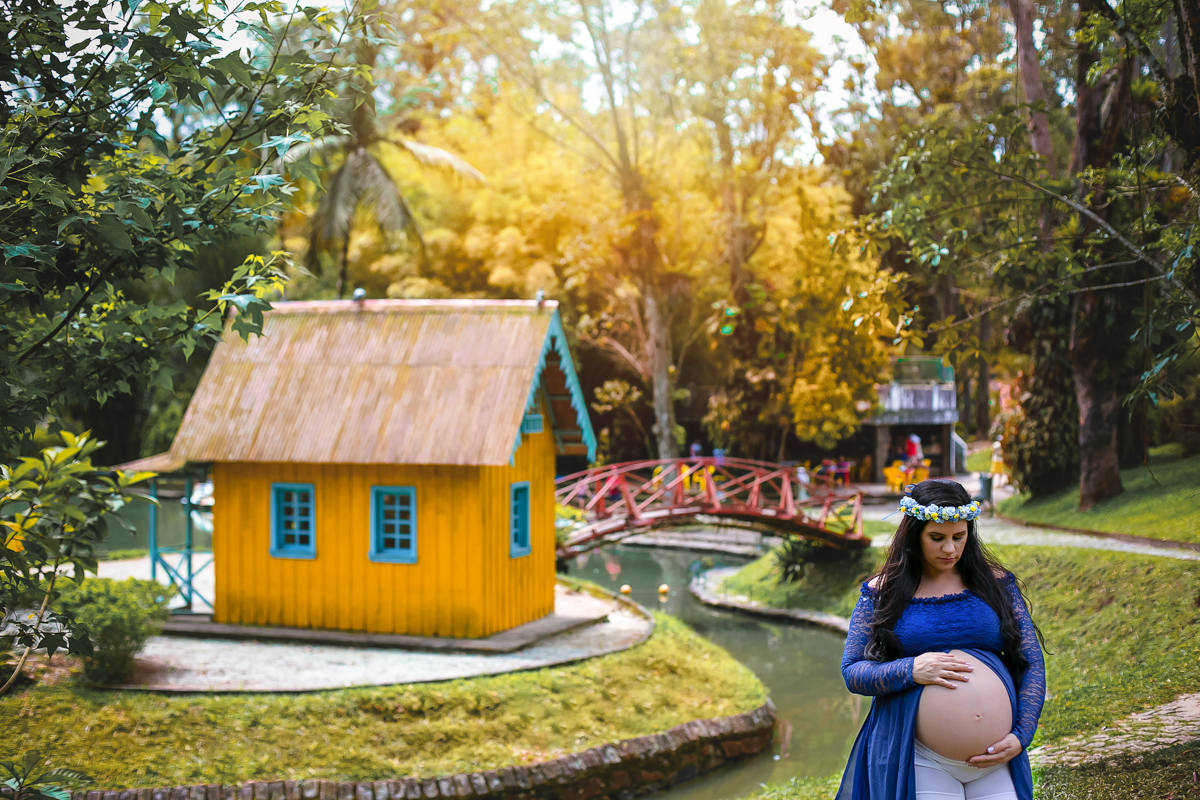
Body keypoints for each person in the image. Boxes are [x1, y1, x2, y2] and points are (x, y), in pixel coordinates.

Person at [836, 479, 1045, 800]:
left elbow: (1031, 662)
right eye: (937, 538)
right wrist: (911, 669)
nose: (950, 549)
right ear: (914, 536)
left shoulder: (996, 583)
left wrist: (1021, 735)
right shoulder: (882, 591)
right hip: (920, 759)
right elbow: (853, 671)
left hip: (996, 757)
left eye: (959, 537)